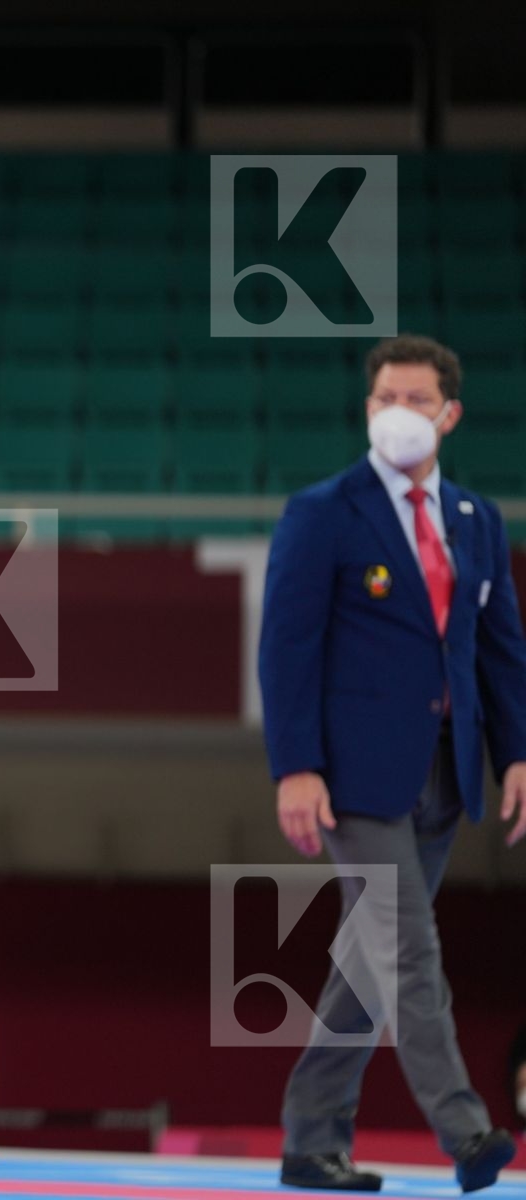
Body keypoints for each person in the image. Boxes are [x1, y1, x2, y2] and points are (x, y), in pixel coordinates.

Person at [260, 334, 526, 1194]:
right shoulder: (324, 511)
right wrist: (295, 766)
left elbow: (501, 651)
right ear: (366, 409)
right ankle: (465, 1128)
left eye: (415, 401)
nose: (398, 415)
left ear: (448, 414)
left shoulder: (477, 522)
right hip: (356, 780)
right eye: (384, 400)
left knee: (367, 963)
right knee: (407, 948)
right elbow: (287, 649)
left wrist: (518, 752)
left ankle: (310, 1139)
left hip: (448, 772)